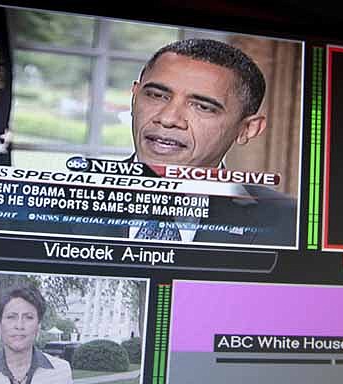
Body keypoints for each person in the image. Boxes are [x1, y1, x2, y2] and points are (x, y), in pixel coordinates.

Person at [123, 38, 296, 245]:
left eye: (202, 107)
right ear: (134, 98)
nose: (168, 119)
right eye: (157, 95)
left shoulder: (290, 224)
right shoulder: (73, 196)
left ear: (247, 129)